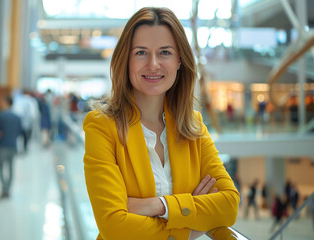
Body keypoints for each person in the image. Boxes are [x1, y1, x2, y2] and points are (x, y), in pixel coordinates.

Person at [83, 7, 239, 240]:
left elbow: (229, 205)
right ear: (126, 60)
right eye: (141, 52)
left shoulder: (193, 126)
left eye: (164, 52)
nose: (153, 64)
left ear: (179, 60)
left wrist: (159, 207)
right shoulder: (102, 126)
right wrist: (189, 223)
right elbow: (114, 226)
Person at [0, 96, 22, 198]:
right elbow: (20, 131)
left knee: (1, 168)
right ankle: (8, 189)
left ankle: (4, 188)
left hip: (3, 145)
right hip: (13, 145)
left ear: (6, 102)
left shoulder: (1, 116)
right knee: (10, 168)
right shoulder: (17, 117)